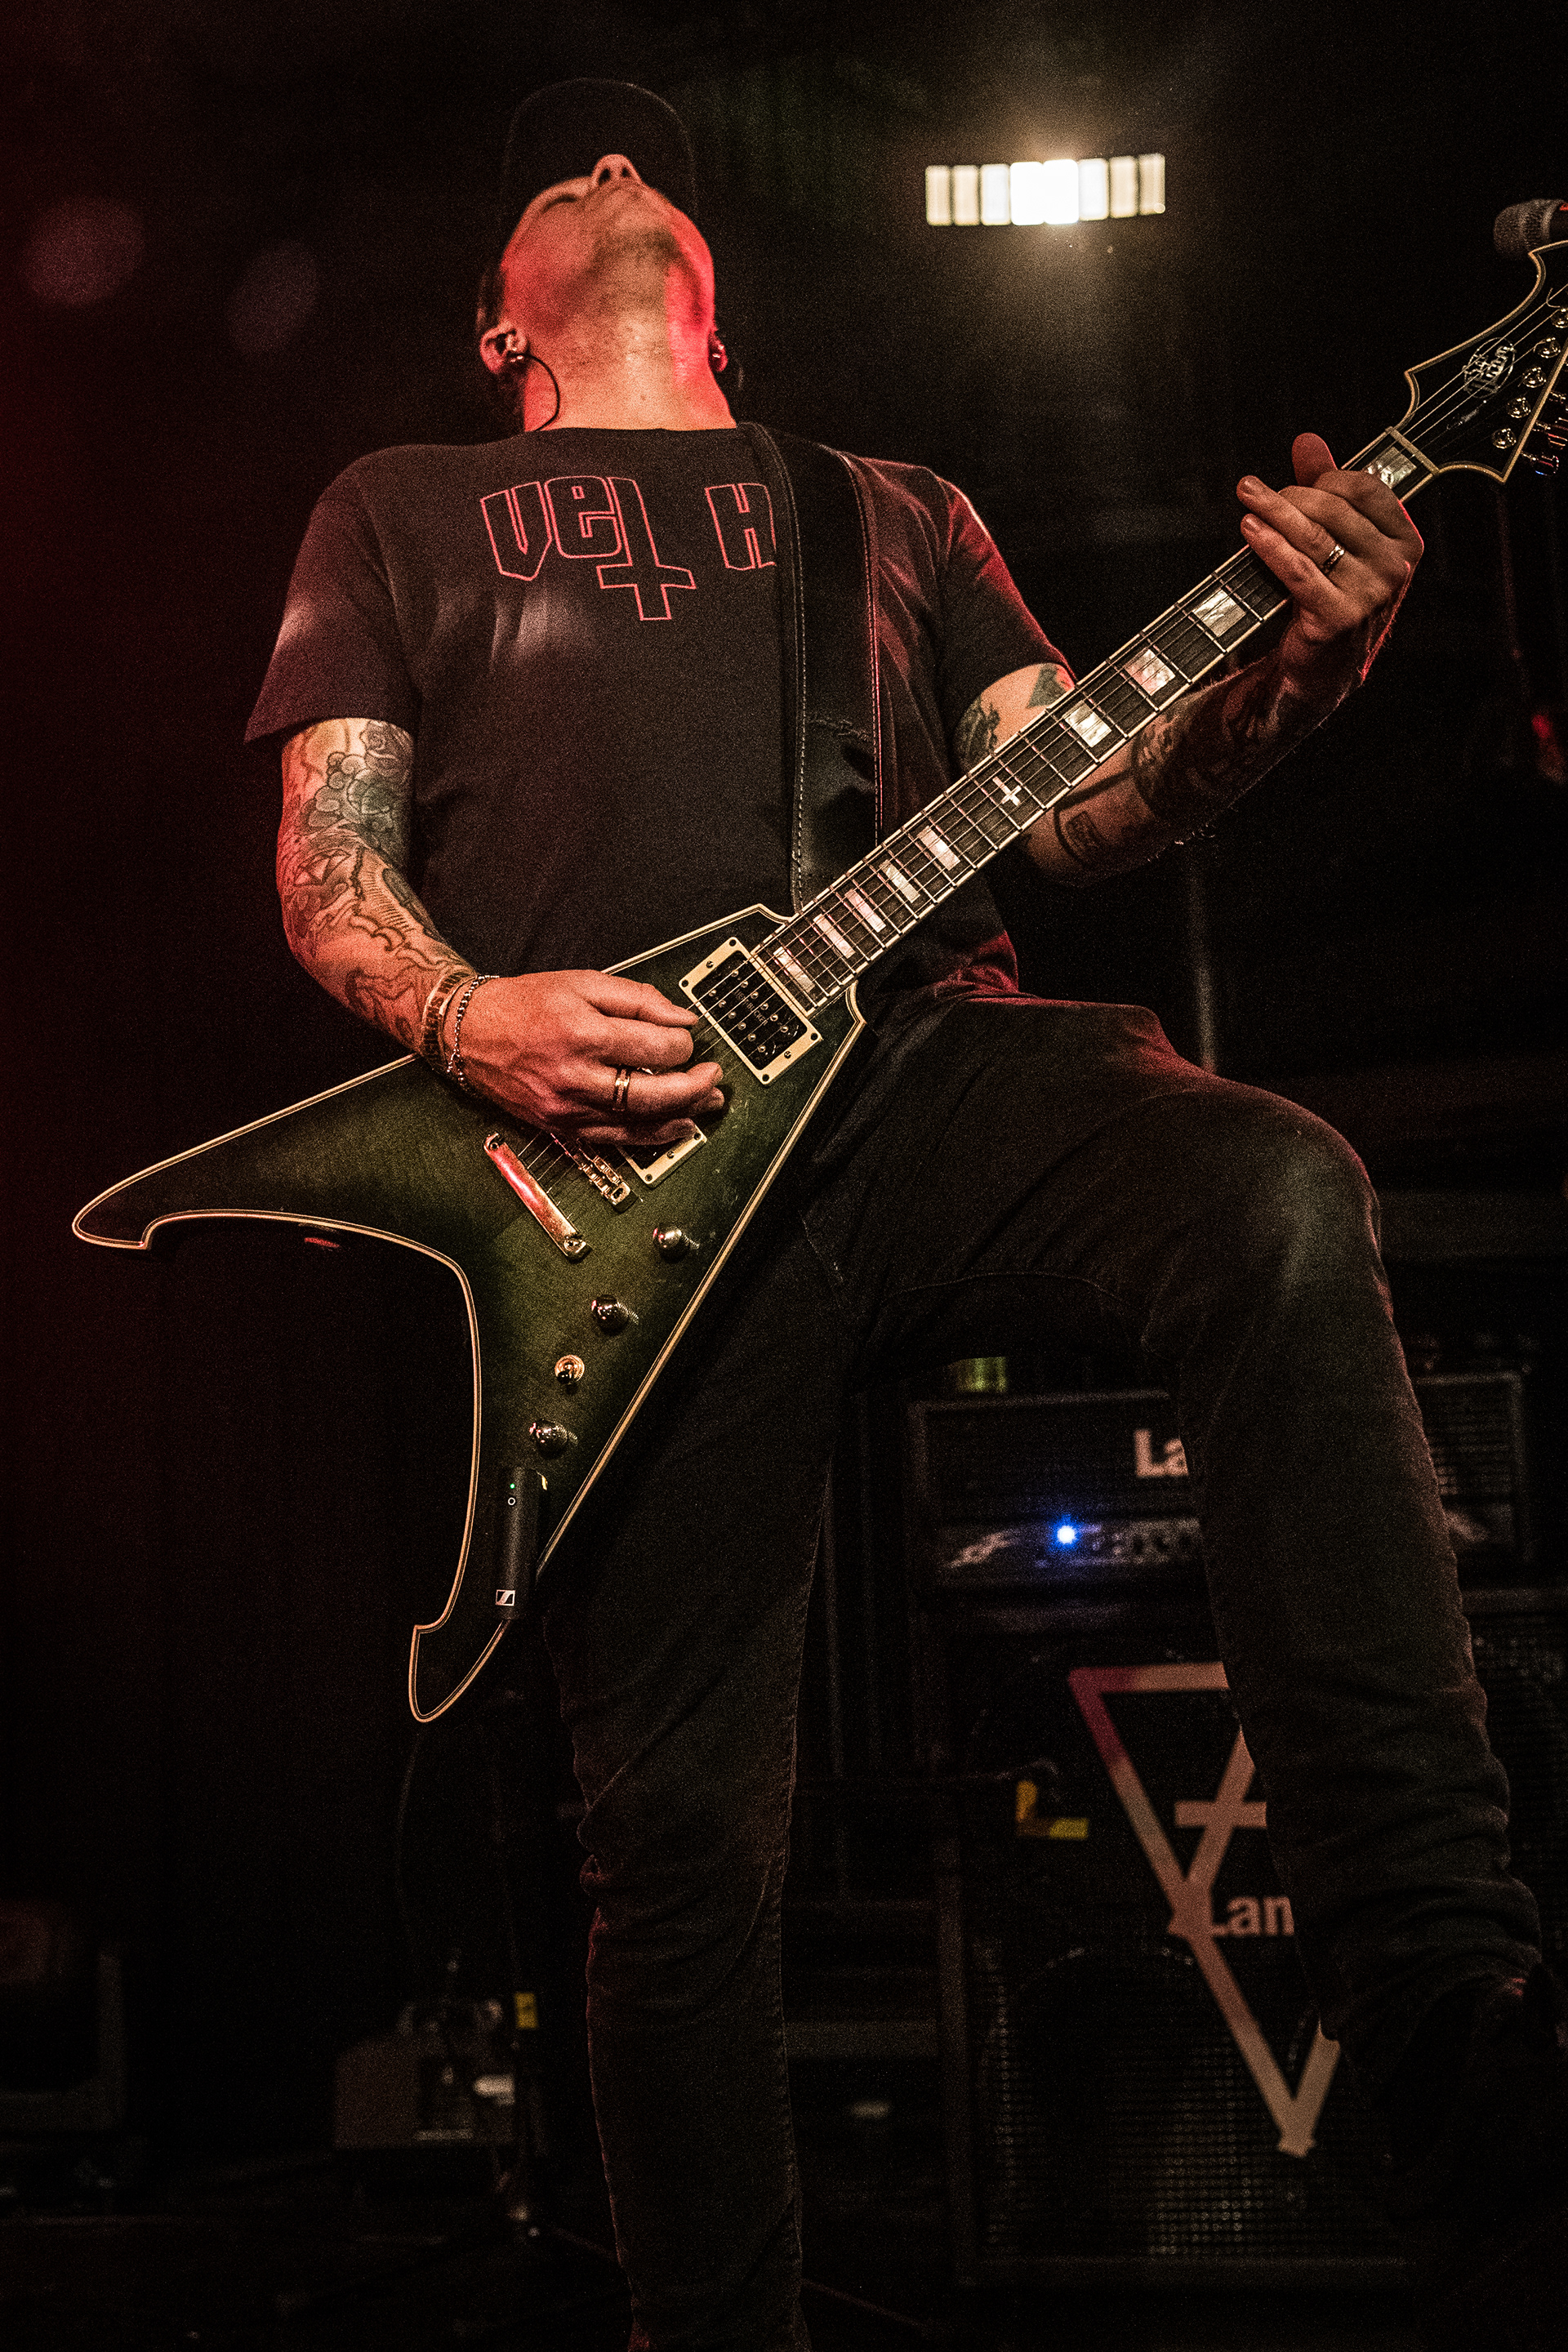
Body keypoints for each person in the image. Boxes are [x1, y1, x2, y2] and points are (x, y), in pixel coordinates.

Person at [247, 79, 1566, 2352]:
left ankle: (1444, 2006)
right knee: (679, 1847)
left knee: (1268, 1183)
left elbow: (1085, 800)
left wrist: (1295, 677)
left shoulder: (891, 505)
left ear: (725, 308)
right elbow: (325, 859)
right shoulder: (401, 506)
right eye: (560, 169)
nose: (614, 167)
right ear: (497, 325)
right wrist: (466, 1016)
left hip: (925, 1065)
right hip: (623, 1189)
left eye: (646, 165)